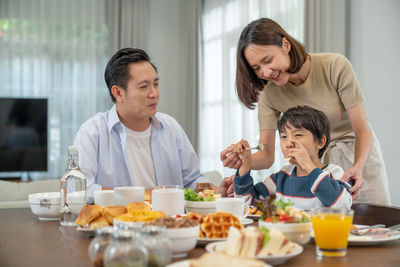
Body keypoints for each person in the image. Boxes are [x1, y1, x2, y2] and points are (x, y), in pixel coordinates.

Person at [220, 18, 390, 205]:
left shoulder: (334, 66)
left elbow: (362, 131)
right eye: (257, 68)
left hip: (357, 156)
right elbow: (267, 156)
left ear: (285, 44)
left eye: (268, 60)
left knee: (374, 226)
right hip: (312, 163)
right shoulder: (268, 94)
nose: (266, 72)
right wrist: (243, 159)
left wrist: (358, 167)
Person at [74, 48, 212, 203]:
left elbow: (191, 179)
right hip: (118, 224)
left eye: (156, 84)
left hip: (172, 223)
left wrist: (215, 190)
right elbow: (80, 189)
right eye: (144, 87)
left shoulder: (171, 127)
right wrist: (142, 195)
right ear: (118, 93)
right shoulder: (92, 132)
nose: (154, 93)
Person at [233, 106, 352, 209]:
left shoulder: (334, 172)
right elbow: (247, 204)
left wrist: (308, 166)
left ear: (320, 142)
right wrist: (245, 164)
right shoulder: (282, 176)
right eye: (283, 136)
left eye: (298, 135)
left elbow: (341, 205)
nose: (288, 143)